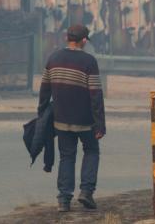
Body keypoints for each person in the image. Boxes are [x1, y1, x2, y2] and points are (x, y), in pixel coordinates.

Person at [38, 24, 106, 213]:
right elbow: (95, 95)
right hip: (85, 121)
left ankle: (64, 200)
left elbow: (44, 91)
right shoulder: (89, 61)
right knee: (92, 151)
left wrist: (41, 115)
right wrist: (100, 124)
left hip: (61, 120)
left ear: (68, 38)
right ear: (84, 40)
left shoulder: (53, 58)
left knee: (66, 157)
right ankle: (86, 192)